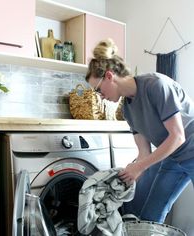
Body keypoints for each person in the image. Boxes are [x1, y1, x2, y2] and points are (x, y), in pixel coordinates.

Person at [85, 38, 194, 223]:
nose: (100, 97)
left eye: (98, 90)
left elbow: (177, 136)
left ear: (109, 76)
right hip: (173, 157)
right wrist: (129, 173)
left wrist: (139, 167)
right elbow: (144, 152)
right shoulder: (127, 110)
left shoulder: (156, 85)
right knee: (151, 215)